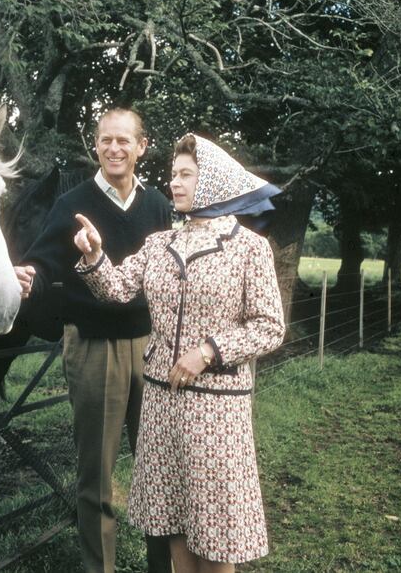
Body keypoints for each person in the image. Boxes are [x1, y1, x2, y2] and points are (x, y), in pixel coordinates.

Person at [73, 133, 284, 573]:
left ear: (214, 181)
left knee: (216, 532)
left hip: (217, 411)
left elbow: (269, 327)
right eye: (173, 175)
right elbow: (115, 289)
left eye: (187, 175)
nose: (176, 184)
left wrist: (208, 351)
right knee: (173, 524)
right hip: (161, 405)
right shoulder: (159, 244)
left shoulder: (249, 248)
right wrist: (95, 256)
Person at [14, 108, 172, 573]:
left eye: (124, 140)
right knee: (96, 475)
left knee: (156, 469)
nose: (113, 149)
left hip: (151, 347)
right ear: (96, 146)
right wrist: (29, 276)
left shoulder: (159, 205)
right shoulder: (74, 203)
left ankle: (160, 565)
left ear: (142, 147)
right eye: (105, 140)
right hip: (94, 348)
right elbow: (44, 263)